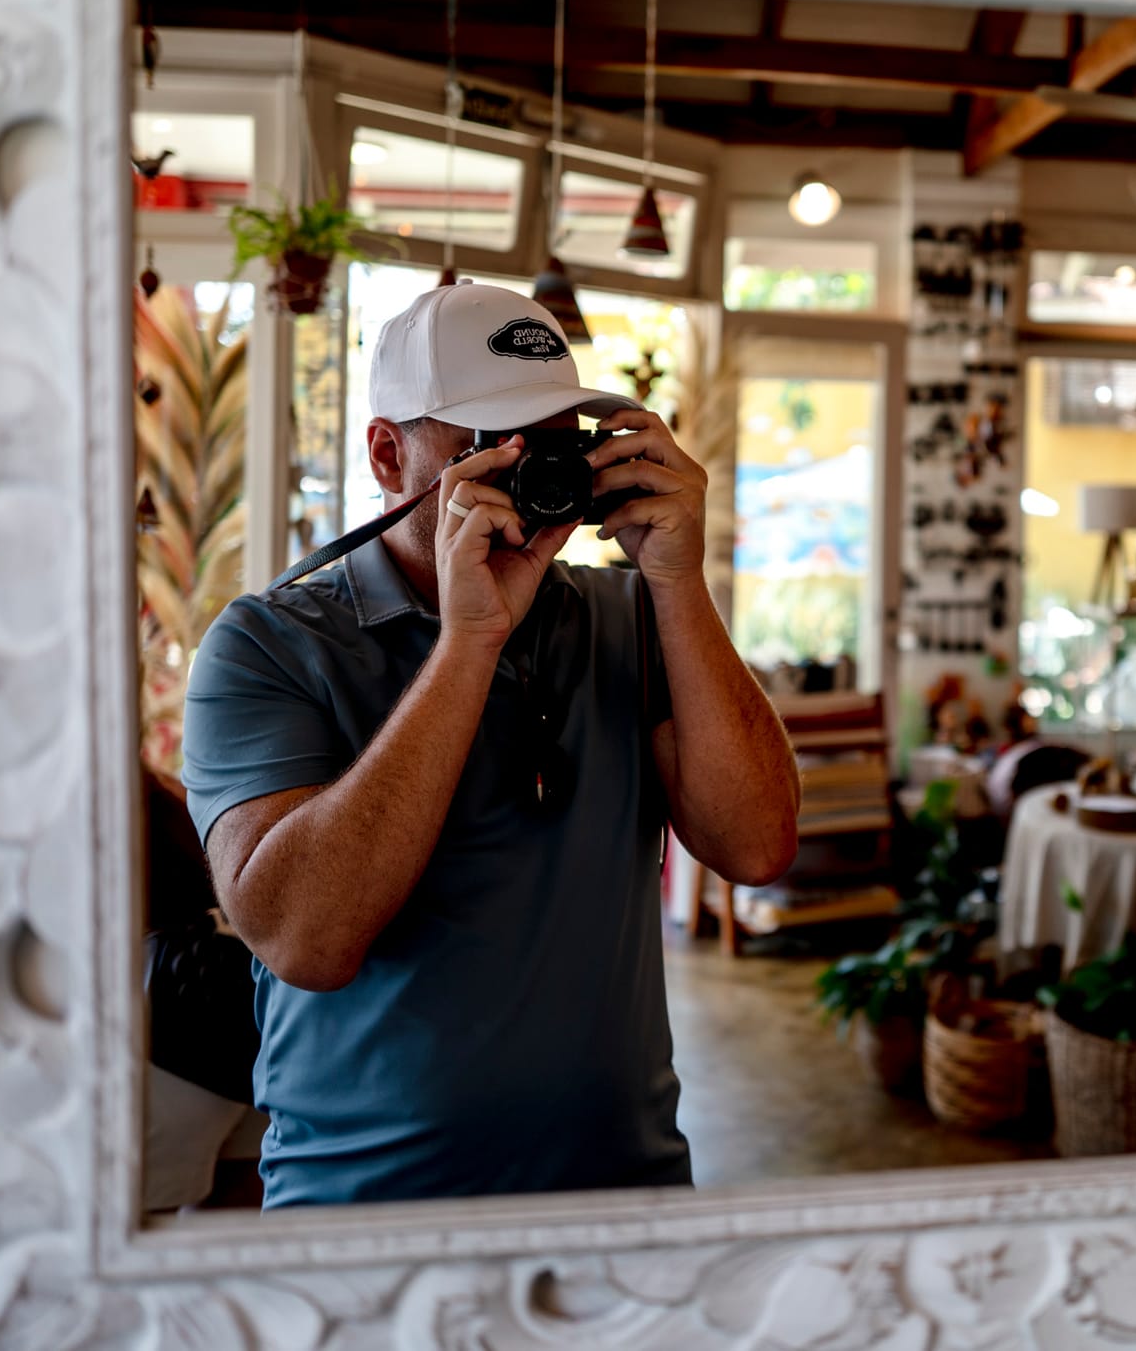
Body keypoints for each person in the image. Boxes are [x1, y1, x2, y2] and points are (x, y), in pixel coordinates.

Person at [181, 281, 799, 1206]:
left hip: (624, 1194)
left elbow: (757, 847)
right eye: (494, 446)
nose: (530, 475)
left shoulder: (633, 615)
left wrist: (679, 582)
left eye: (554, 444)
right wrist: (469, 641)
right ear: (388, 455)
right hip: (364, 1206)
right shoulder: (267, 644)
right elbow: (306, 938)